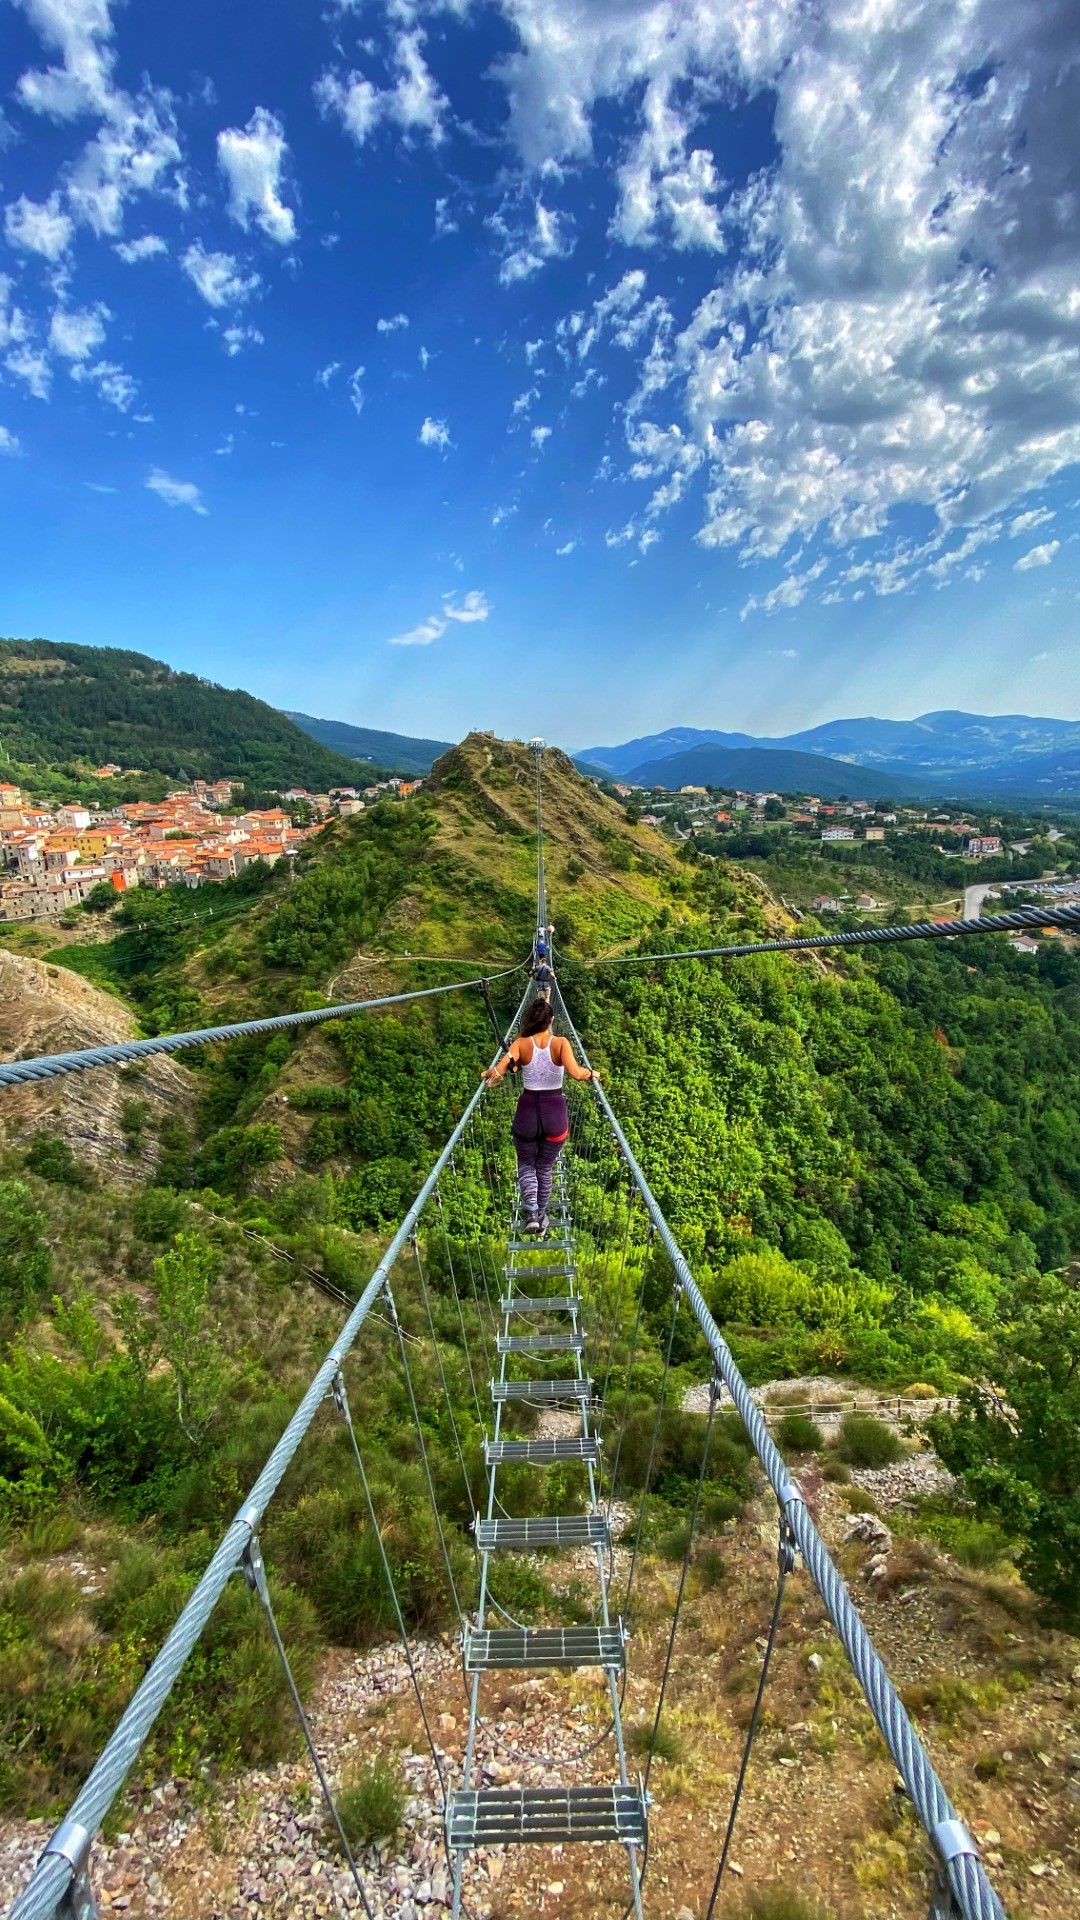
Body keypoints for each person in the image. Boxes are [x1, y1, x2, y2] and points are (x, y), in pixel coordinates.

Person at [481, 998, 597, 1235]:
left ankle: (531, 1213)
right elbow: (576, 1073)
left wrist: (488, 1073)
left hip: (527, 1113)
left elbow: (500, 1070)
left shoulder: (521, 1043)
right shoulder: (561, 1043)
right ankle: (541, 1216)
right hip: (554, 1114)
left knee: (526, 1164)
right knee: (544, 1167)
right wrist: (591, 1073)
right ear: (551, 1020)